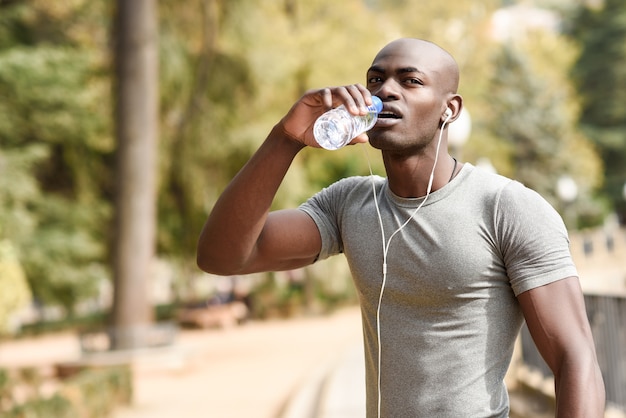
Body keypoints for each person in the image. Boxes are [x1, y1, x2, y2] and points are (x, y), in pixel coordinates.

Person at [197, 38, 605, 417]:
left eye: (410, 81)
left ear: (451, 109)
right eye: (376, 79)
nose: (386, 90)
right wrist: (285, 138)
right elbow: (223, 255)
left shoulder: (505, 207)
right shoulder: (348, 203)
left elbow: (575, 357)